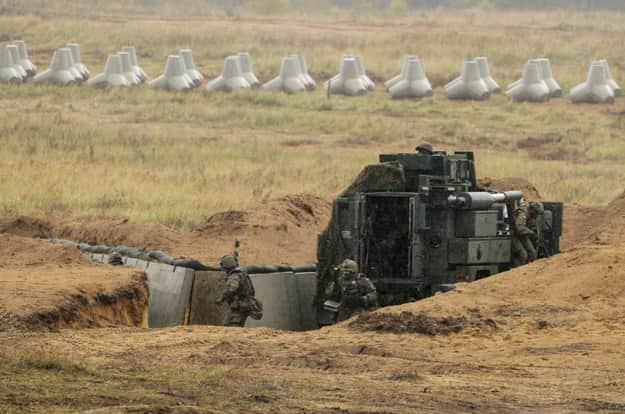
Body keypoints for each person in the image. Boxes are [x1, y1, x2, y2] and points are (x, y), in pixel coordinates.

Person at [216, 254, 263, 327]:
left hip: (240, 306)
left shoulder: (235, 275)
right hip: (241, 304)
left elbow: (231, 289)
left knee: (233, 325)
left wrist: (221, 299)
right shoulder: (241, 272)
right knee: (226, 324)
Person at [511, 199, 543, 267]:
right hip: (513, 235)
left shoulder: (531, 215)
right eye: (536, 213)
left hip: (522, 235)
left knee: (533, 253)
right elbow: (519, 228)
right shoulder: (523, 214)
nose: (536, 215)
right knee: (523, 255)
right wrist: (531, 233)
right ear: (532, 210)